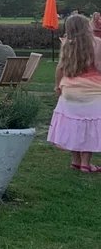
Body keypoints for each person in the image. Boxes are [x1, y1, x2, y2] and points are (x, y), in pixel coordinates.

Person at [48, 14, 101, 173]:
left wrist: (58, 86)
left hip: (70, 91)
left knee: (73, 124)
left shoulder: (67, 44)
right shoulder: (97, 43)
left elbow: (60, 68)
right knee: (89, 126)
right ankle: (86, 163)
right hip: (93, 92)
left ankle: (75, 161)